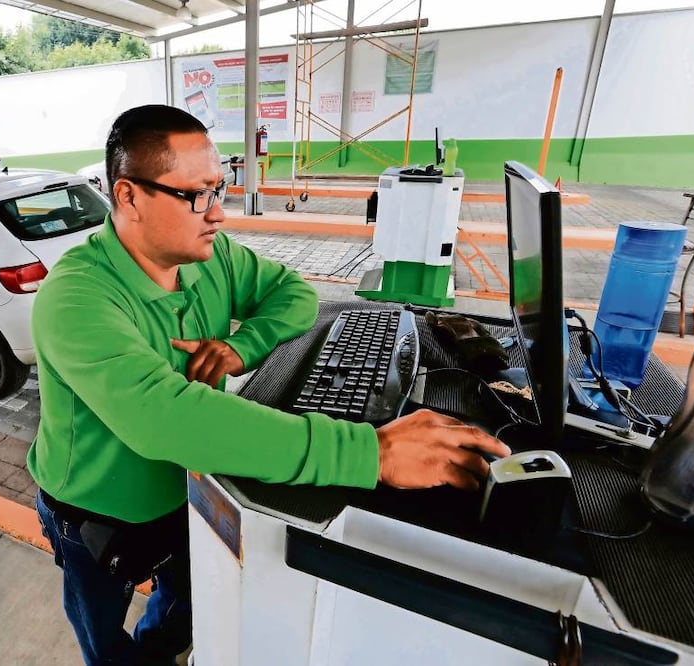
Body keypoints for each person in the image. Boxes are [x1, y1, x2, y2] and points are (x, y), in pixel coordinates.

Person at [27, 104, 510, 665]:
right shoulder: (76, 297)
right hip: (93, 513)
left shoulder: (209, 258)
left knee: (185, 604)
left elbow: (295, 294)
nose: (218, 214)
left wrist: (242, 346)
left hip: (191, 487)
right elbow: (166, 418)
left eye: (219, 189)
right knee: (103, 636)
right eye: (196, 195)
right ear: (129, 196)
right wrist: (369, 452)